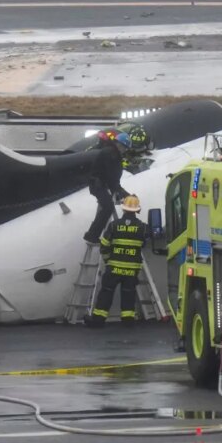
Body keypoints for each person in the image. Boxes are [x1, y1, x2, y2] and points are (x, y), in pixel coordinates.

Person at [84, 195, 148, 328]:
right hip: (131, 269)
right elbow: (144, 243)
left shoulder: (114, 225)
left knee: (106, 292)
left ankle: (98, 321)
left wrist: (108, 260)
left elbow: (105, 245)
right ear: (137, 210)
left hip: (113, 267)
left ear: (123, 209)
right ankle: (128, 322)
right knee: (128, 294)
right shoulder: (143, 227)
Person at [82, 129, 131, 244]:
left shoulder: (112, 153)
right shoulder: (111, 154)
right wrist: (121, 192)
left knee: (108, 205)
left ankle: (93, 234)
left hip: (100, 184)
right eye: (124, 147)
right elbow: (112, 178)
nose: (124, 150)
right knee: (108, 207)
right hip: (98, 185)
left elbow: (112, 179)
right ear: (119, 144)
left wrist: (119, 191)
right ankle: (92, 236)